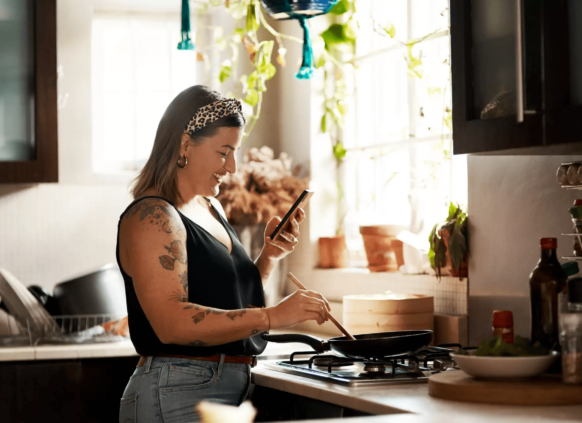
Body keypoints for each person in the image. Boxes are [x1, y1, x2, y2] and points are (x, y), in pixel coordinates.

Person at [116, 85, 331, 423]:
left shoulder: (210, 207)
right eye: (224, 151)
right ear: (186, 144)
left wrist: (268, 257)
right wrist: (273, 316)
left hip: (227, 387)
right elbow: (172, 323)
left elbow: (226, 299)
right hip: (176, 392)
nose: (232, 166)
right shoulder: (152, 216)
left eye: (236, 152)